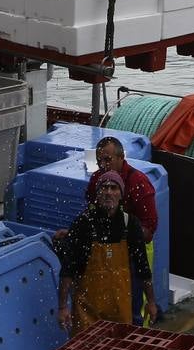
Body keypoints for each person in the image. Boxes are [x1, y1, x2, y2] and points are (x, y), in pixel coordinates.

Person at [58, 171, 158, 333]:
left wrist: (151, 302)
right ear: (97, 194)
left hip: (120, 309)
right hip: (87, 311)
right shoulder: (83, 223)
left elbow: (143, 268)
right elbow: (68, 269)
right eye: (104, 188)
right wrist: (63, 307)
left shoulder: (130, 224)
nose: (109, 192)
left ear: (121, 195)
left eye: (114, 188)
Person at [84, 136, 158, 323]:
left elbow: (149, 229)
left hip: (135, 253)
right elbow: (90, 213)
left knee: (135, 312)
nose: (103, 165)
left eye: (107, 159)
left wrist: (122, 230)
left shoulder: (139, 183)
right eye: (99, 160)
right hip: (105, 256)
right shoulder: (95, 181)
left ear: (121, 157)